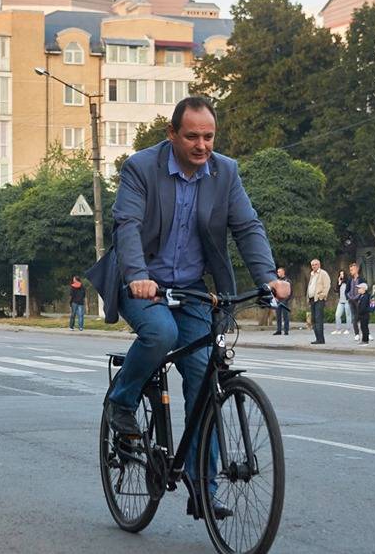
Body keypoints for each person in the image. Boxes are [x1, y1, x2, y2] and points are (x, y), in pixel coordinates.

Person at [85, 96, 289, 520]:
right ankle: (121, 402)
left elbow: (248, 226)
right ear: (172, 135)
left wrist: (268, 276)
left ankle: (203, 486)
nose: (202, 145)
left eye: (209, 136)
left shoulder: (226, 172)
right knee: (162, 334)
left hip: (194, 289)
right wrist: (138, 276)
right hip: (140, 283)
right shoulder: (141, 167)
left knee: (204, 378)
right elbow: (128, 226)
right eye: (192, 136)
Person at [307, 259, 331, 345]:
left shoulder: (323, 273)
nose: (314, 266)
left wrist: (323, 295)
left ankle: (321, 339)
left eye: (315, 264)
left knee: (318, 319)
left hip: (319, 299)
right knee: (313, 320)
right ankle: (317, 338)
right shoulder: (312, 274)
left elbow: (327, 285)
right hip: (312, 299)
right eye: (312, 265)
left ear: (319, 265)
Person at [345, 263, 364, 340]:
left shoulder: (361, 279)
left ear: (356, 270)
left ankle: (365, 332)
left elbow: (363, 290)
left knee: (361, 317)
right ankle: (356, 334)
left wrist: (358, 297)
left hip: (359, 300)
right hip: (351, 300)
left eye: (352, 270)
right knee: (354, 317)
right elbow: (347, 291)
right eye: (350, 270)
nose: (351, 271)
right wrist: (349, 297)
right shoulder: (350, 280)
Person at [331, 268, 351, 335]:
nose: (341, 275)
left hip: (347, 301)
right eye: (340, 274)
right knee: (337, 315)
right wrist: (339, 283)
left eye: (342, 274)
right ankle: (338, 329)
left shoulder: (348, 282)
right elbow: (336, 290)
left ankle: (348, 329)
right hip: (341, 301)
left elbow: (350, 290)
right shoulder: (339, 282)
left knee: (348, 315)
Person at [273, 267, 291, 335]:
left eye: (279, 272)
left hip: (284, 300)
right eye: (277, 272)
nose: (278, 273)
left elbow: (290, 291)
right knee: (278, 316)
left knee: (285, 316)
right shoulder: (277, 281)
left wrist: (286, 299)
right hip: (278, 300)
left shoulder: (287, 280)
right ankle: (279, 330)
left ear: (283, 272)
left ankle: (286, 330)